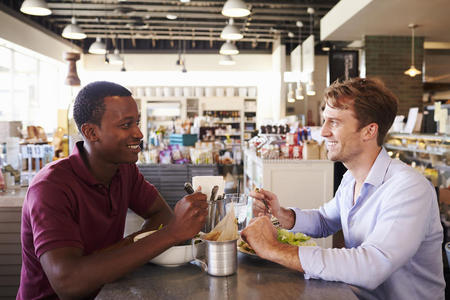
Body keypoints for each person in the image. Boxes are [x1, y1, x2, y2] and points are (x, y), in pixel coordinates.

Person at [242, 78, 445, 300]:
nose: (323, 132)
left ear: (369, 131)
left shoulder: (408, 188)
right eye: (325, 121)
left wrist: (272, 248)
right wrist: (283, 215)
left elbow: (372, 265)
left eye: (335, 122)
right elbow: (324, 220)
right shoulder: (351, 178)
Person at [17, 81, 208, 299]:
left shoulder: (124, 170)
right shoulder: (50, 188)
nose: (139, 133)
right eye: (126, 125)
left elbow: (160, 214)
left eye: (137, 122)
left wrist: (124, 247)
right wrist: (172, 233)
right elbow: (67, 283)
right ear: (91, 132)